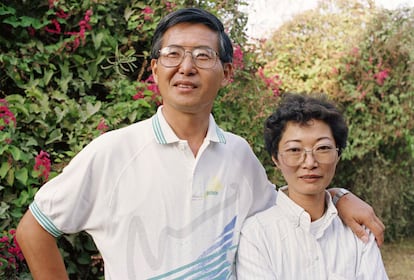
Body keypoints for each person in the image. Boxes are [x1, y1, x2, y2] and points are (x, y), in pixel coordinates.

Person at [16, 8, 384, 279]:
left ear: (226, 72)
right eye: (173, 54)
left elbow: (289, 203)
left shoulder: (238, 154)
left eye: (203, 55)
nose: (187, 66)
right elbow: (34, 229)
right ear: (155, 69)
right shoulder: (114, 151)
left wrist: (339, 195)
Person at [236, 93, 388, 279]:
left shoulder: (358, 231)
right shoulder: (256, 235)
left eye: (323, 148)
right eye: (294, 150)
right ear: (276, 158)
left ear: (338, 155)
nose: (309, 162)